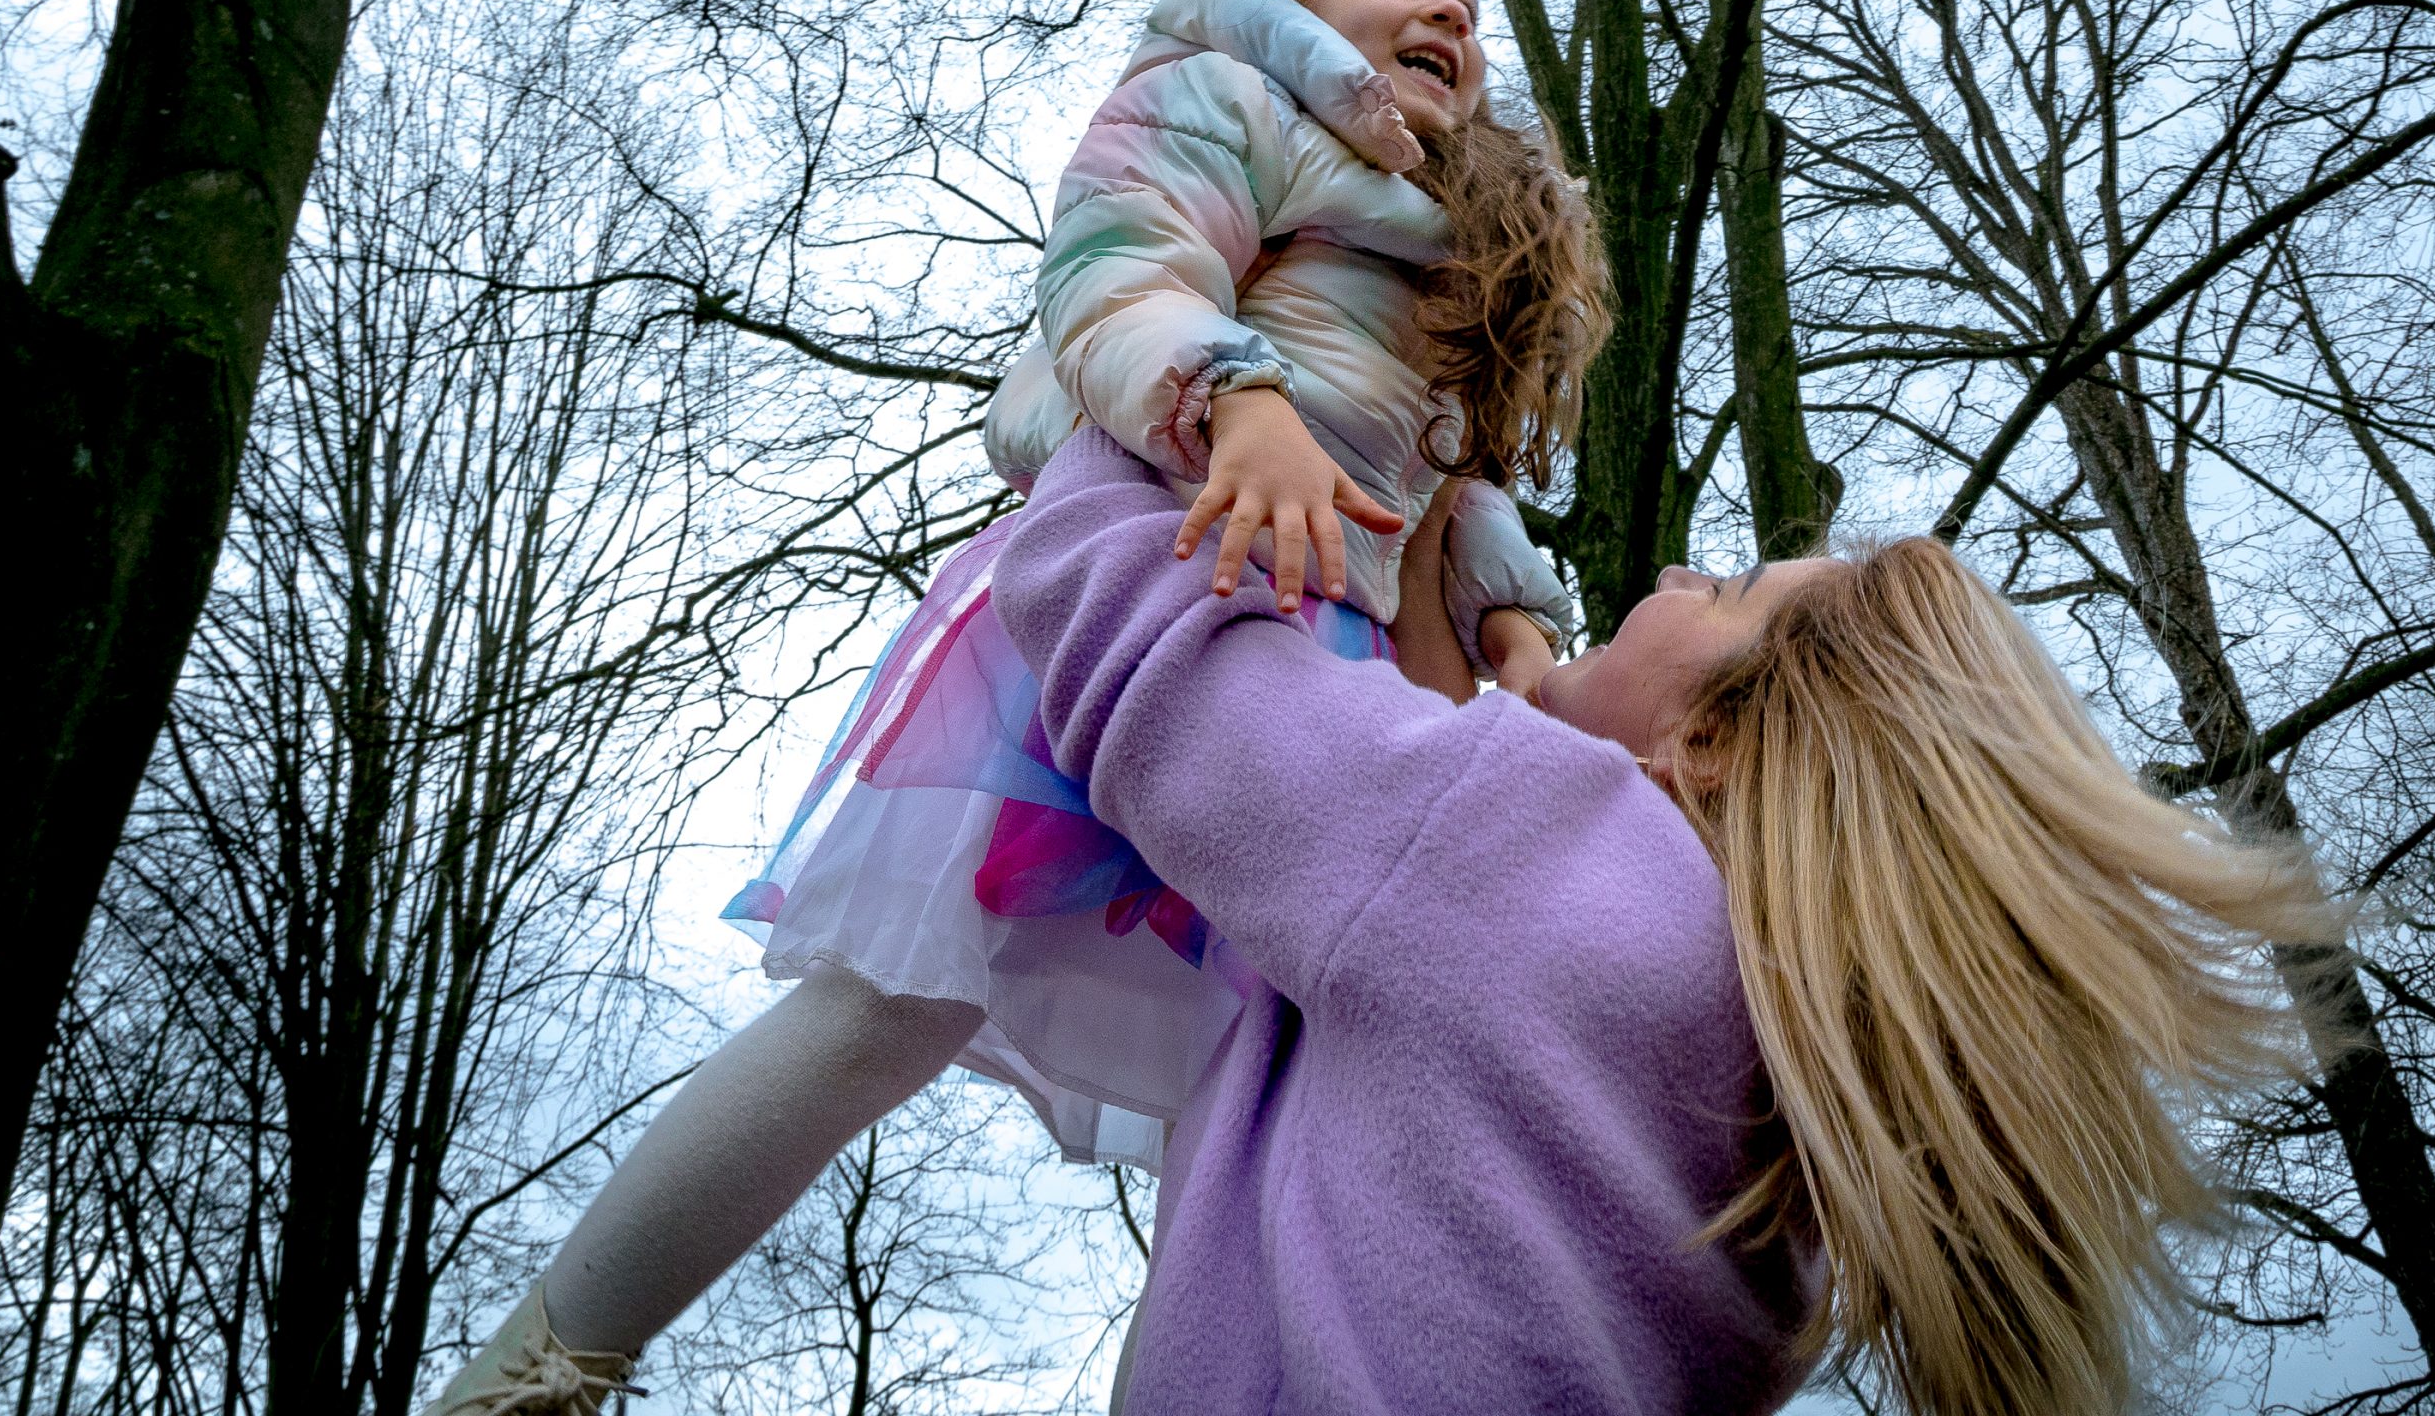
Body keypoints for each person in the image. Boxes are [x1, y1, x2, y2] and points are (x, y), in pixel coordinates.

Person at [422, 0, 1609, 1414]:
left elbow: (1454, 470)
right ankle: (542, 1367)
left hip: (1330, 682)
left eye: (1464, 4)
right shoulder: (1229, 97)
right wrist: (1236, 398)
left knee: (1259, 1113)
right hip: (1156, 586)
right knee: (892, 1004)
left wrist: (1510, 612)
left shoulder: (1455, 232)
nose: (1442, 15)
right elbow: (1121, 262)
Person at [984, 427, 2333, 1416]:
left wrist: (1153, 385)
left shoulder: (1525, 863)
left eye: (1728, 595)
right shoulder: (1774, 1176)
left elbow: (1122, 616)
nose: (1682, 570)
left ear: (1716, 744)